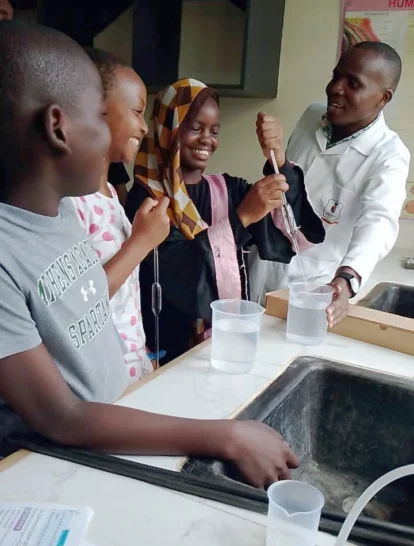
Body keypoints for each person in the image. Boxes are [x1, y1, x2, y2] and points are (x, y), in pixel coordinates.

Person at [0, 20, 300, 487]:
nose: (132, 131)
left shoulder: (58, 216)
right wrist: (224, 436)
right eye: (101, 117)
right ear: (58, 128)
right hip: (45, 471)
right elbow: (63, 415)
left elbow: (87, 302)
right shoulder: (8, 250)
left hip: (106, 435)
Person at [126, 79, 325, 363]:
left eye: (214, 130)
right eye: (195, 128)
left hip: (223, 344)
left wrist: (278, 159)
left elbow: (292, 235)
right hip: (161, 346)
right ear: (168, 129)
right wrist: (241, 218)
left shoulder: (228, 191)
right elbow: (180, 276)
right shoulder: (147, 199)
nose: (207, 139)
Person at [250, 41, 410, 327]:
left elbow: (379, 222)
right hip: (263, 267)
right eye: (336, 76)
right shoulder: (313, 115)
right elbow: (287, 186)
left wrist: (347, 279)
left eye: (353, 83)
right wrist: (276, 155)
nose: (336, 88)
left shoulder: (389, 154)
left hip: (314, 289)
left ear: (383, 98)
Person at [71, 47, 169, 382]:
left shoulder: (111, 195)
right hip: (100, 380)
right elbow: (79, 302)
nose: (144, 128)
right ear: (97, 112)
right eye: (138, 112)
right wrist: (142, 241)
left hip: (131, 368)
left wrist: (143, 357)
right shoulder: (71, 204)